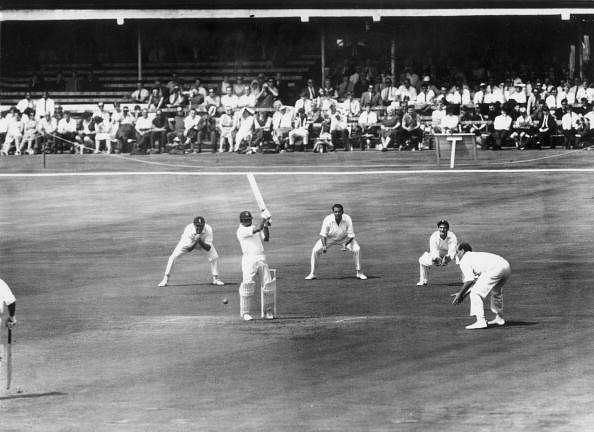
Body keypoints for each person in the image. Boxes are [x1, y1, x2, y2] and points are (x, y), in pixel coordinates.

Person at [451, 242, 511, 330]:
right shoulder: (475, 257)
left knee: (475, 293)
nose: (456, 255)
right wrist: (463, 294)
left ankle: (481, 321)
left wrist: (460, 294)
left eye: (457, 252)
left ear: (462, 251)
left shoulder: (464, 260)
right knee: (496, 291)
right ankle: (499, 318)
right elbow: (476, 281)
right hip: (506, 266)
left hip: (495, 269)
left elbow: (469, 280)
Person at [158, 216, 225, 287]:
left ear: (204, 224)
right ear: (194, 225)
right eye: (197, 226)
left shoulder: (208, 229)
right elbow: (189, 249)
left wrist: (199, 240)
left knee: (214, 257)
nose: (199, 228)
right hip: (189, 243)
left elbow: (208, 248)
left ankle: (216, 279)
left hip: (203, 243)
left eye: (201, 226)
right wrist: (196, 240)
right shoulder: (189, 230)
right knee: (173, 257)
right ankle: (165, 279)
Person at [305, 204, 367, 280]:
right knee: (315, 250)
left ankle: (359, 273)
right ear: (333, 212)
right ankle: (312, 274)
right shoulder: (328, 219)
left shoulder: (347, 218)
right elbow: (323, 234)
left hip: (344, 238)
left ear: (342, 212)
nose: (337, 213)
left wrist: (345, 244)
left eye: (339, 212)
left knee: (357, 249)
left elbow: (351, 235)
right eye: (335, 212)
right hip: (329, 238)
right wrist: (324, 246)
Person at [236, 210, 274, 321]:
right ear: (242, 221)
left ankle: (267, 311)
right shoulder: (241, 230)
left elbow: (266, 238)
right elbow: (257, 228)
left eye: (249, 220)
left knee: (268, 285)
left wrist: (266, 225)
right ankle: (245, 313)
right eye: (246, 220)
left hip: (261, 257)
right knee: (248, 284)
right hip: (249, 259)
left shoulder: (254, 227)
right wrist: (264, 219)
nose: (248, 221)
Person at [417, 220, 458, 286]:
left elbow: (452, 250)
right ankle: (423, 281)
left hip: (449, 253)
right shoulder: (434, 236)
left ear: (447, 229)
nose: (442, 229)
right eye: (440, 228)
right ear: (438, 228)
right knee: (421, 260)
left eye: (444, 228)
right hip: (438, 253)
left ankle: (466, 279)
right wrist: (436, 259)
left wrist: (448, 258)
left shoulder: (452, 236)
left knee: (462, 257)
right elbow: (433, 250)